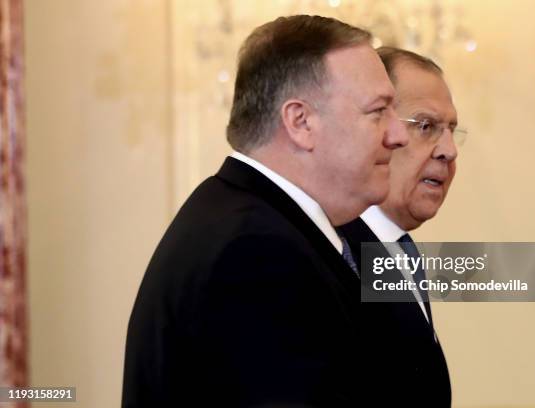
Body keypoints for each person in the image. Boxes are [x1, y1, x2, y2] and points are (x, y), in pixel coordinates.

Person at [122, 16, 408, 407]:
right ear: (300, 122)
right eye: (378, 112)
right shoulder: (255, 252)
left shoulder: (247, 219)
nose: (399, 135)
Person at [339, 47, 463, 407]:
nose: (449, 151)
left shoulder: (397, 251)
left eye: (452, 131)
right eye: (426, 127)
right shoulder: (334, 249)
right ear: (379, 129)